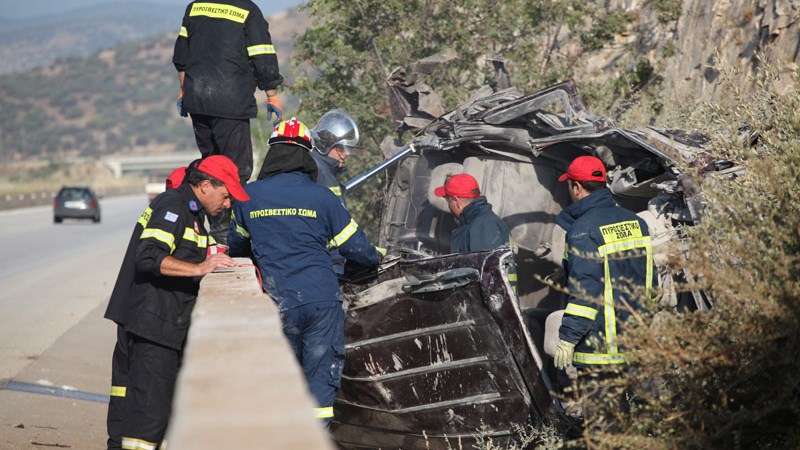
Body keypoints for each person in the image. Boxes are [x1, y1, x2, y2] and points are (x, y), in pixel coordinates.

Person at [227, 118, 383, 425]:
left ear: (273, 153)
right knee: (319, 385)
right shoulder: (322, 197)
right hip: (321, 303)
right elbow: (358, 250)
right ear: (306, 155)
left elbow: (236, 248)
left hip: (274, 305)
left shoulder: (247, 197)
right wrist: (375, 257)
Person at [104, 155, 250, 450]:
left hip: (161, 323)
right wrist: (199, 269)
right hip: (155, 325)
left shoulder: (192, 212)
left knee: (143, 411)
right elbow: (148, 256)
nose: (227, 204)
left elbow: (189, 249)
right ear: (206, 186)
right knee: (148, 421)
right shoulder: (174, 205)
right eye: (225, 196)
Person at [172, 0, 284, 243]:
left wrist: (184, 91)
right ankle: (228, 235)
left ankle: (209, 229)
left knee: (209, 165)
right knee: (236, 169)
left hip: (198, 100)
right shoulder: (247, 10)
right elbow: (261, 55)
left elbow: (182, 57)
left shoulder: (195, 7)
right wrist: (272, 95)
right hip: (231, 102)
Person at [552, 155, 653, 384]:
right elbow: (651, 284)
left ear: (576, 187)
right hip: (637, 344)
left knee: (602, 419)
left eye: (569, 185)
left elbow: (585, 293)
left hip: (600, 350)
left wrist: (568, 338)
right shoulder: (636, 222)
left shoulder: (582, 231)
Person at [309, 109, 360, 275]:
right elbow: (339, 225)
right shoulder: (324, 175)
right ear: (328, 145)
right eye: (342, 148)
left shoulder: (314, 164)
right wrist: (366, 253)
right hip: (327, 262)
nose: (346, 154)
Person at [433, 173, 511, 253]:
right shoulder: (479, 222)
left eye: (448, 201)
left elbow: (485, 264)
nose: (449, 206)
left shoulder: (483, 225)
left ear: (456, 201)